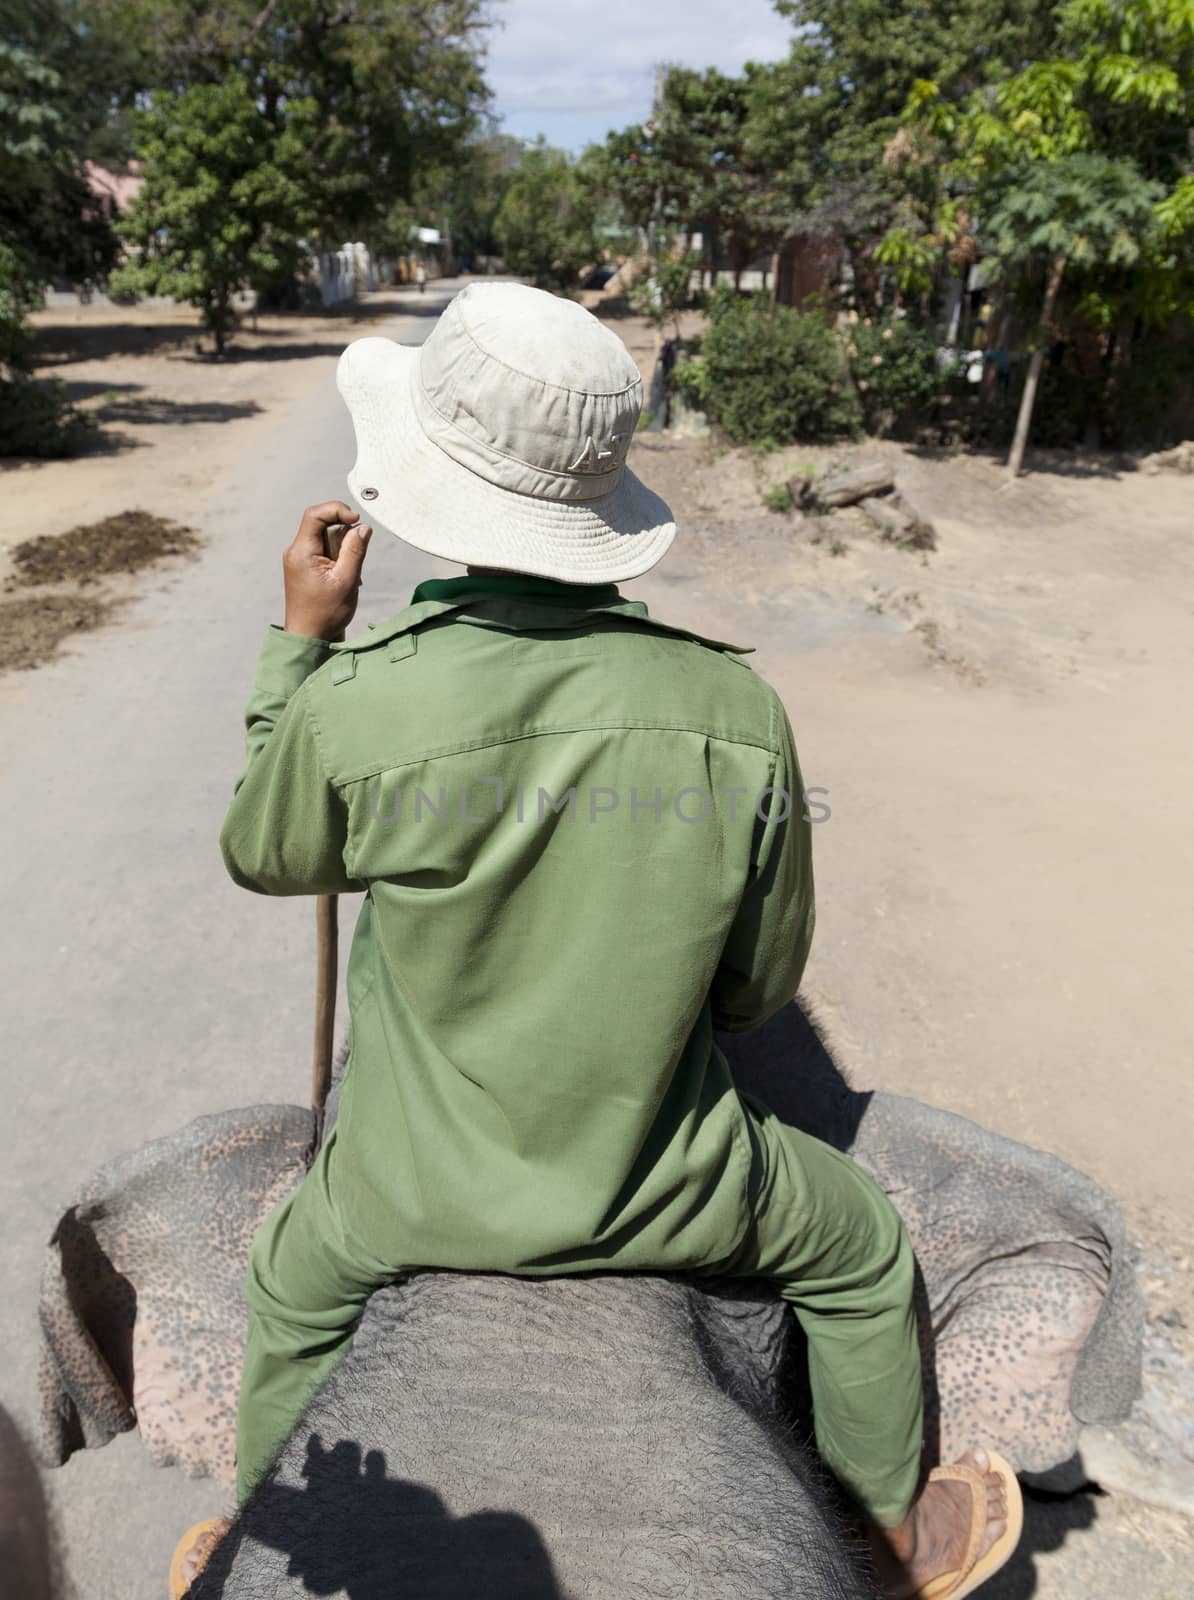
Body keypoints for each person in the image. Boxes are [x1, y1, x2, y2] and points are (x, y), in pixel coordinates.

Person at [174, 284, 1021, 1598]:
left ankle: (260, 1532)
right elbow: (754, 990)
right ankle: (883, 1535)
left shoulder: (357, 697)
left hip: (396, 1193)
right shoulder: (732, 706)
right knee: (858, 1249)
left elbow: (266, 852)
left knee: (286, 1293)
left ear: (422, 486)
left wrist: (299, 646)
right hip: (672, 1189)